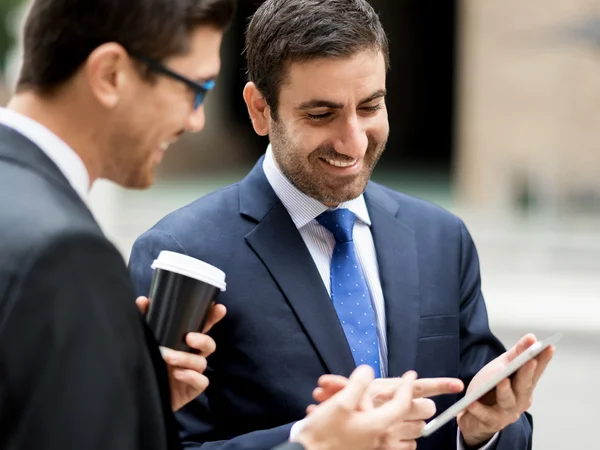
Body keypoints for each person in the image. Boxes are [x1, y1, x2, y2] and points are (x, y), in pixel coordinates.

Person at [129, 0, 556, 449]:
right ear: (259, 109)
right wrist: (310, 442)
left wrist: (483, 431)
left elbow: (492, 421)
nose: (353, 141)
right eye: (321, 114)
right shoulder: (181, 252)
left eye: (370, 106)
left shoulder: (442, 238)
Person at [0, 0, 235, 448]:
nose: (197, 121)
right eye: (195, 89)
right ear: (110, 75)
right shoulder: (66, 254)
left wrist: (130, 398)